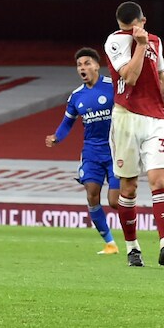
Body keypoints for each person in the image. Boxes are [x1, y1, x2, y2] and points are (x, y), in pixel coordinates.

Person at [104, 1, 164, 268]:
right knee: (127, 187)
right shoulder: (115, 42)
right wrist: (139, 45)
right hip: (125, 118)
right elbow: (130, 77)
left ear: (143, 21)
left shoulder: (156, 41)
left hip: (155, 119)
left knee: (159, 181)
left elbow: (161, 79)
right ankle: (132, 247)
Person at [45, 47, 120, 255]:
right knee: (91, 195)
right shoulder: (76, 96)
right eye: (79, 65)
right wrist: (56, 137)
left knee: (115, 202)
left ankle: (132, 235)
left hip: (116, 150)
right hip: (91, 153)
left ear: (97, 65)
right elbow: (67, 123)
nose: (82, 68)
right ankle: (110, 244)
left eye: (87, 63)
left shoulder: (112, 86)